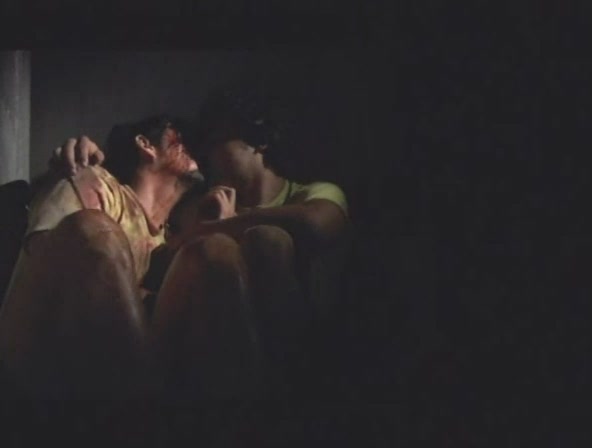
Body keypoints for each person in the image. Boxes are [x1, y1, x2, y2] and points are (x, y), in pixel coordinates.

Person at [52, 89, 351, 391]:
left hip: (295, 350)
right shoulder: (195, 208)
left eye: (216, 141)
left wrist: (220, 226)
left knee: (268, 240)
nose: (205, 154)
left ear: (258, 141)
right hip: (199, 357)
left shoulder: (310, 194)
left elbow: (315, 224)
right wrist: (80, 155)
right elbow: (153, 264)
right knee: (216, 250)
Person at [0, 114, 260, 402]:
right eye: (177, 134)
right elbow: (48, 267)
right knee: (95, 229)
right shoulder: (97, 183)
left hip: (115, 367)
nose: (189, 143)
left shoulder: (169, 239)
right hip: (36, 346)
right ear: (145, 144)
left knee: (216, 249)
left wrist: (218, 228)